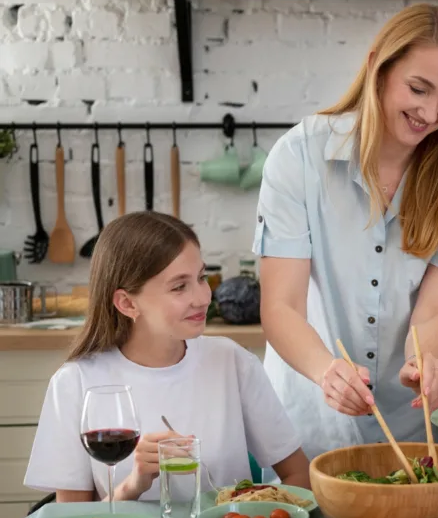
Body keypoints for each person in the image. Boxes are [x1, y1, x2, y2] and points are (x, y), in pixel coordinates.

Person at [254, 3, 438, 458]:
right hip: (308, 424)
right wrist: (327, 372)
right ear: (377, 67)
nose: (430, 112)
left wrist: (424, 361)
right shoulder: (300, 156)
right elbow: (282, 306)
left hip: (412, 425)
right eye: (418, 89)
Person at [23, 212, 310, 503]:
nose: (202, 297)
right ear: (126, 303)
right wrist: (132, 486)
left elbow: (299, 476)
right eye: (179, 286)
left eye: (201, 277)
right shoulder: (75, 382)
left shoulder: (231, 361)